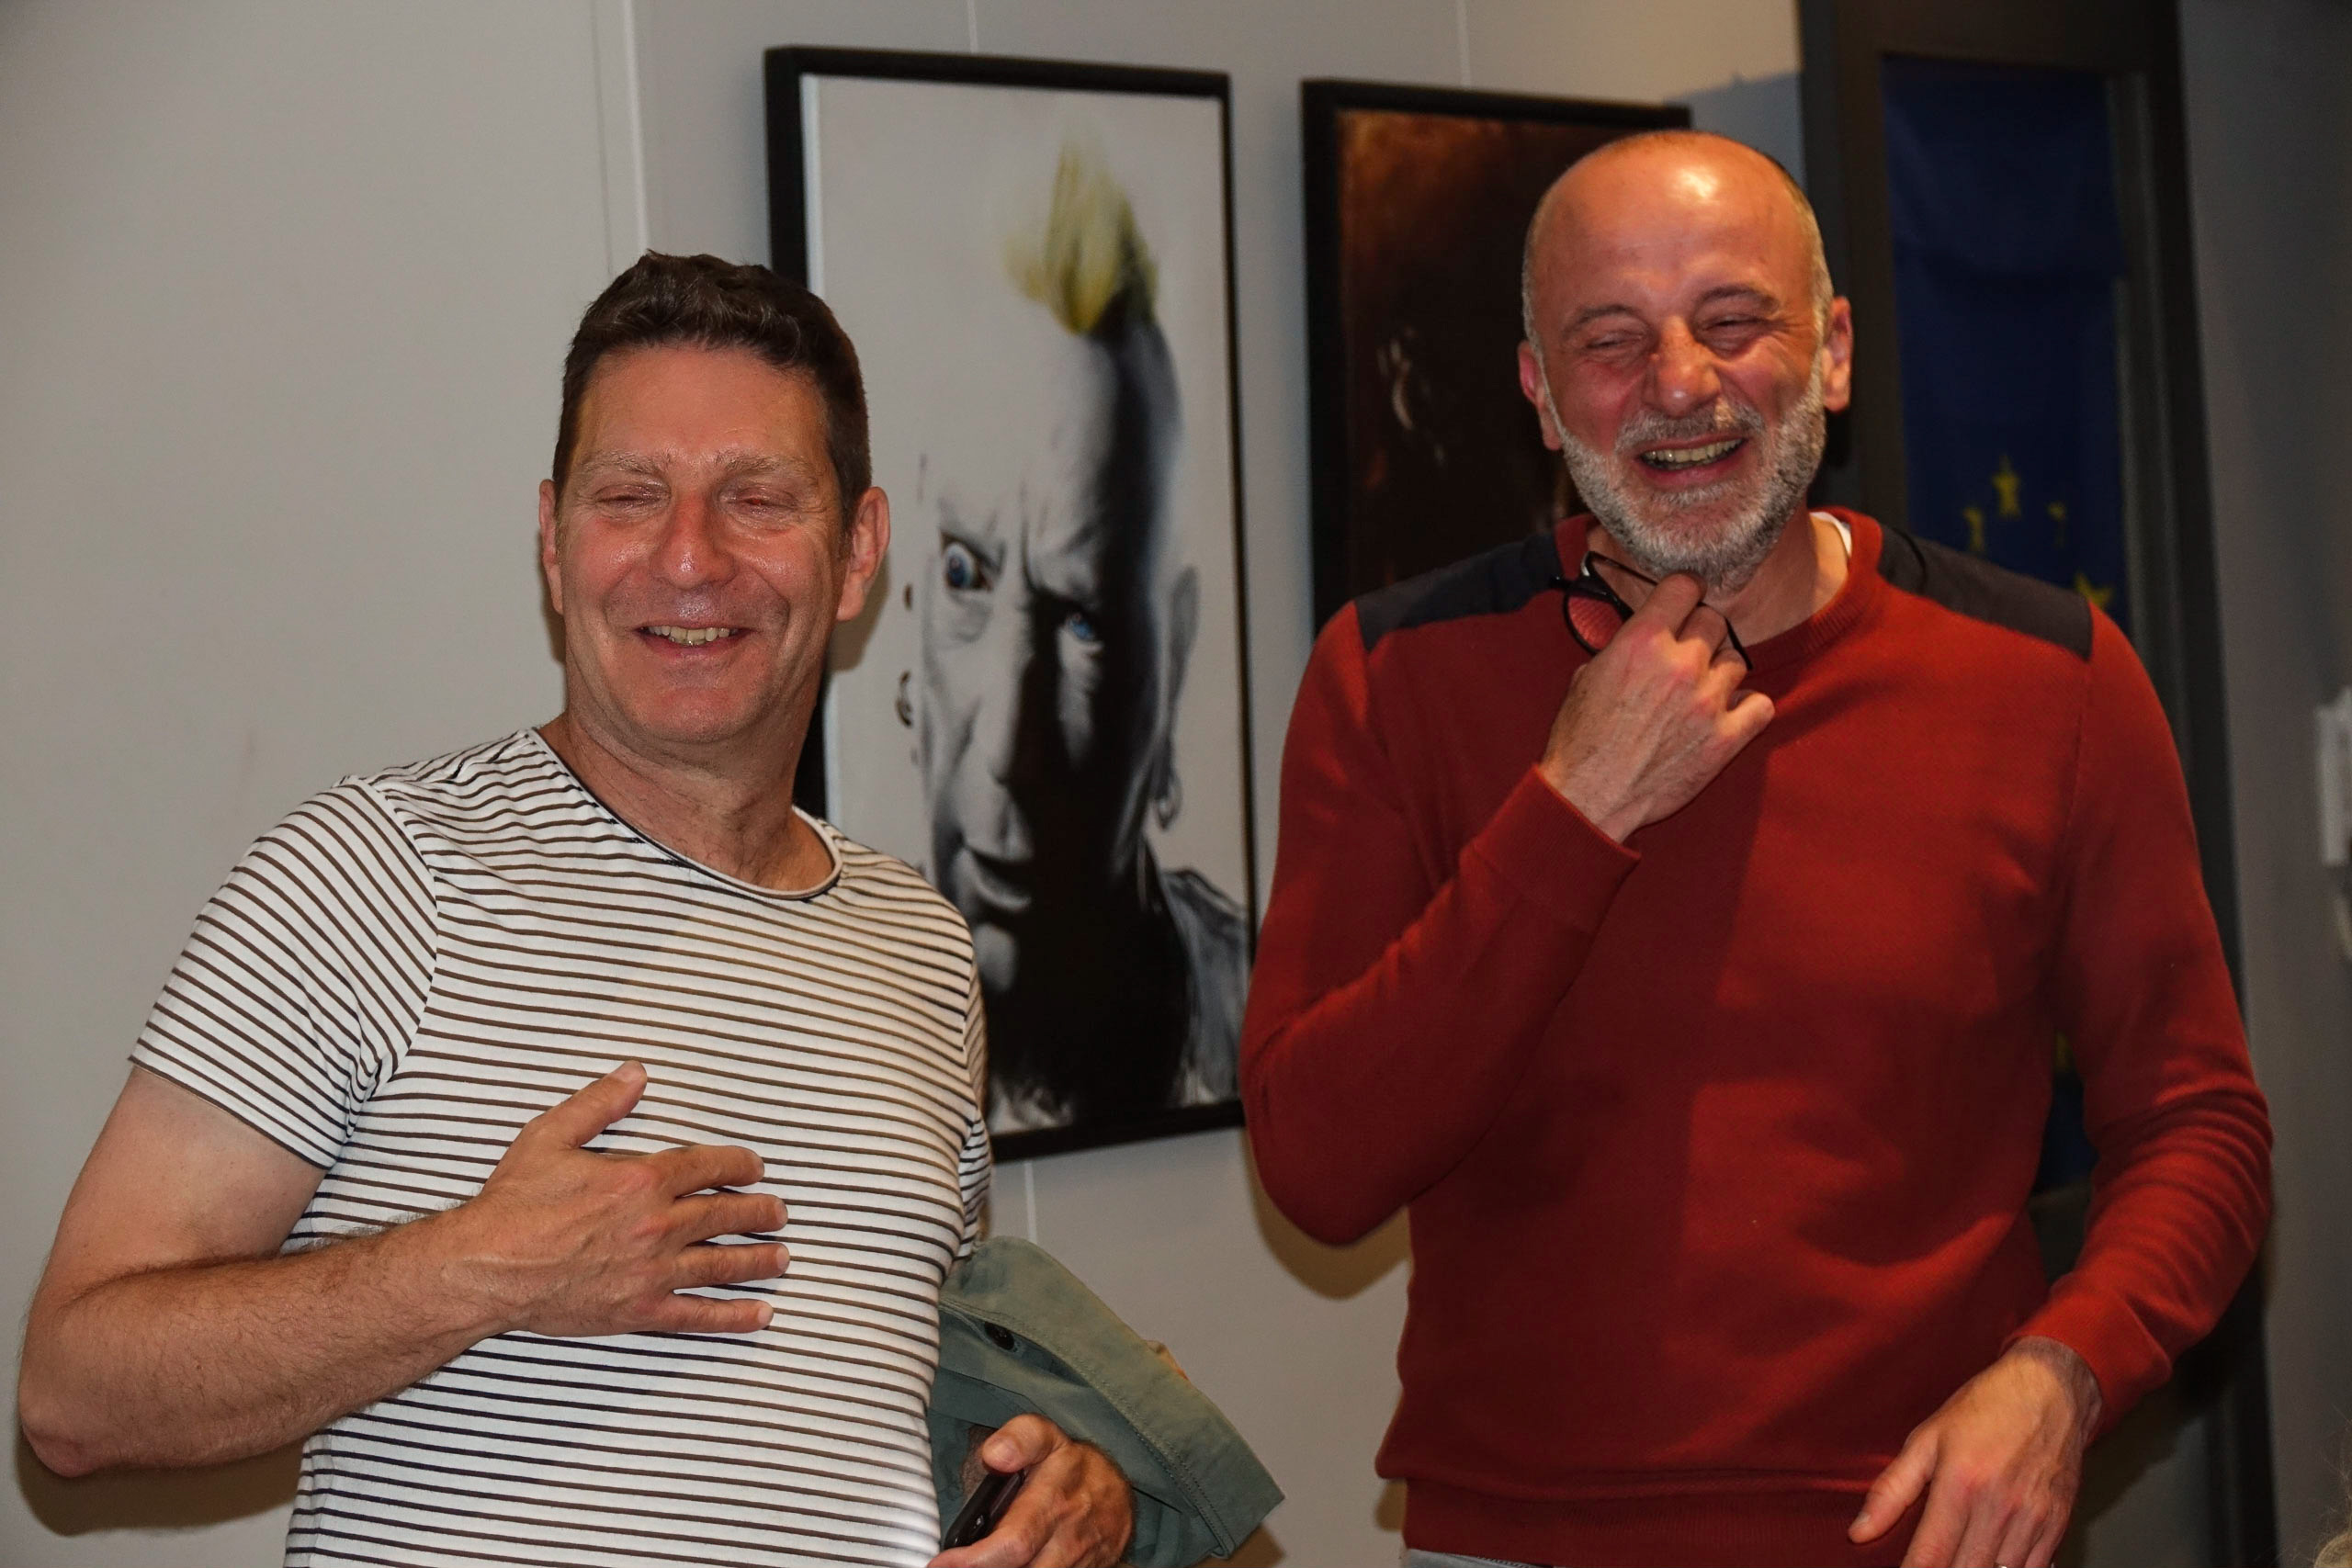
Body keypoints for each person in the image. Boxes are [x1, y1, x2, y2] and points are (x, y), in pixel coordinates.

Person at [1240, 130, 2271, 1568]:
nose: (1678, 383)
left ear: (1833, 354)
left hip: (1928, 1533)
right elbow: (1318, 1163)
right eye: (1612, 340)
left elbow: (2200, 1126)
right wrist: (1573, 811)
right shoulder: (1393, 673)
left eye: (1734, 321)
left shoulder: (2052, 677)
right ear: (1540, 392)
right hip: (1522, 1540)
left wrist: (2066, 1371)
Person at [17, 253, 1133, 1568]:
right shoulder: (372, 874)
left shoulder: (920, 948)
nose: (689, 557)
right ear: (554, 542)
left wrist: (1062, 1484)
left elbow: (862, 1399)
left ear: (857, 551)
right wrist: (486, 1270)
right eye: (629, 496)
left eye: (756, 498)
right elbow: (73, 1392)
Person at [913, 142, 1249, 1134]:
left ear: (1171, 659)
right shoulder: (799, 1032)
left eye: (1085, 621)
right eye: (966, 576)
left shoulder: (1265, 1019)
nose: (1010, 743)